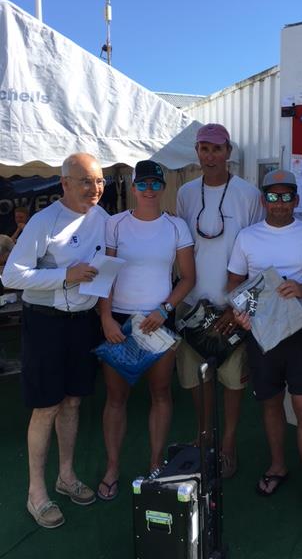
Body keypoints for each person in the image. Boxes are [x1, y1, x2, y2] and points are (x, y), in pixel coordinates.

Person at [2, 153, 109, 529]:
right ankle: (36, 492)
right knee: (45, 408)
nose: (93, 188)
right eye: (84, 181)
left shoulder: (105, 220)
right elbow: (12, 276)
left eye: (98, 181)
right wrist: (67, 275)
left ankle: (66, 476)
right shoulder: (42, 222)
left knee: (73, 402)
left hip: (82, 324)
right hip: (45, 324)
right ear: (64, 183)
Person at [227, 169, 302, 524]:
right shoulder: (247, 237)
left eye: (286, 196)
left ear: (297, 200)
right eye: (272, 196)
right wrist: (241, 313)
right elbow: (235, 285)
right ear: (263, 200)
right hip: (262, 335)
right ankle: (277, 466)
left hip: (301, 334)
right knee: (271, 405)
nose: (279, 203)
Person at [97, 160, 195, 500]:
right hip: (120, 321)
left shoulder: (177, 226)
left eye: (155, 184)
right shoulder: (115, 224)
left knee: (161, 394)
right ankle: (113, 467)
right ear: (134, 187)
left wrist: (164, 309)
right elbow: (105, 275)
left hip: (158, 320)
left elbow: (188, 278)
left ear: (163, 187)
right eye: (143, 184)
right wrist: (106, 319)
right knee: (116, 398)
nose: (149, 190)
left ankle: (155, 463)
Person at [176, 123, 264, 478]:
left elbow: (256, 249)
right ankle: (204, 435)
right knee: (195, 377)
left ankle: (227, 443)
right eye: (204, 148)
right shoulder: (184, 193)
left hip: (234, 304)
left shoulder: (248, 193)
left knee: (231, 379)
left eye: (217, 149)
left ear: (229, 152)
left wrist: (240, 302)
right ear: (197, 153)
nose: (210, 156)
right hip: (192, 302)